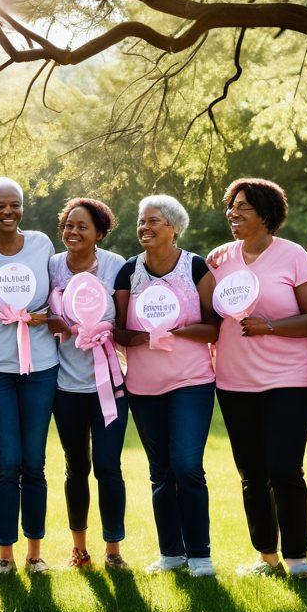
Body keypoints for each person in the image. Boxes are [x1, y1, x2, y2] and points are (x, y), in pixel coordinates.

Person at [203, 178, 307, 580]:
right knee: (251, 472)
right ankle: (266, 557)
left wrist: (271, 326)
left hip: (290, 380)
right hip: (235, 382)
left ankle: (297, 558)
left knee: (284, 468)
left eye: (243, 207)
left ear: (267, 214)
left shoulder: (294, 257)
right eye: (230, 207)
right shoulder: (220, 260)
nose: (232, 214)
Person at [114, 195, 219, 578]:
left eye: (153, 221)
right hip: (143, 387)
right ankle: (171, 553)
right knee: (160, 470)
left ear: (174, 227)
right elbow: (121, 331)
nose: (144, 227)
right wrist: (141, 337)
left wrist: (177, 330)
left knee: (187, 465)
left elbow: (214, 325)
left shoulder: (195, 267)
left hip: (191, 382)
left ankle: (201, 554)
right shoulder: (128, 271)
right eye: (141, 221)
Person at [0, 177, 59, 575]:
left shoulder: (41, 244)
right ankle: (4, 556)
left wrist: (46, 317)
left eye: (15, 205)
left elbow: (61, 295)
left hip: (41, 367)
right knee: (6, 461)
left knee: (34, 461)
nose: (8, 212)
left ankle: (35, 554)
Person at [48, 197, 130, 570]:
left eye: (82, 226)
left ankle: (114, 550)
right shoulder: (51, 266)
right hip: (66, 388)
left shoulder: (116, 267)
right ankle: (79, 549)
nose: (73, 232)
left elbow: (128, 323)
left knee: (108, 466)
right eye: (68, 225)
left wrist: (102, 330)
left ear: (99, 232)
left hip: (110, 385)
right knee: (75, 466)